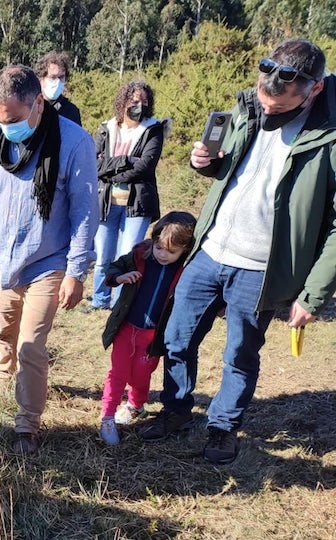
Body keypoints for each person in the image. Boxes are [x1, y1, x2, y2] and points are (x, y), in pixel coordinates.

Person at [140, 39, 336, 464]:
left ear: (314, 89)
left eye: (278, 107)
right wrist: (206, 162)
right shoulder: (250, 107)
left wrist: (313, 295)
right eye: (263, 101)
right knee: (176, 338)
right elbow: (230, 168)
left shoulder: (330, 138)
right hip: (209, 251)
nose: (267, 111)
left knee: (240, 355)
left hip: (260, 269)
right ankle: (176, 411)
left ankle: (223, 428)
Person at [0, 64, 99, 455]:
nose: (7, 128)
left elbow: (85, 211)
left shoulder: (74, 142)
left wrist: (76, 271)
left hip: (48, 261)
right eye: (0, 120)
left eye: (14, 120)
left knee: (31, 346)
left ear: (38, 102)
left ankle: (27, 425)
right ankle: (4, 374)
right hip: (5, 260)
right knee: (3, 331)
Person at [97, 211, 196, 445]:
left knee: (142, 374)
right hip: (126, 327)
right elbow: (113, 268)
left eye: (172, 251)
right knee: (118, 373)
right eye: (159, 247)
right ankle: (107, 417)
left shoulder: (186, 269)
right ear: (153, 240)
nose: (163, 254)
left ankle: (136, 405)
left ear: (185, 250)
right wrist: (119, 278)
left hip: (153, 335)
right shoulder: (139, 255)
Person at [89, 80, 170, 311]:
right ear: (123, 101)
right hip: (106, 201)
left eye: (144, 101)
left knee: (127, 255)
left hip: (137, 204)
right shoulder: (106, 128)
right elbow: (93, 164)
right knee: (103, 257)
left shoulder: (153, 130)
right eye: (134, 100)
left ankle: (120, 305)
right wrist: (125, 161)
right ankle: (100, 299)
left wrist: (110, 171)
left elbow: (145, 166)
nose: (139, 105)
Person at [34, 51, 82, 125]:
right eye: (53, 77)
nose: (57, 82)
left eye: (61, 77)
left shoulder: (72, 111)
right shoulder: (30, 107)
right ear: (41, 78)